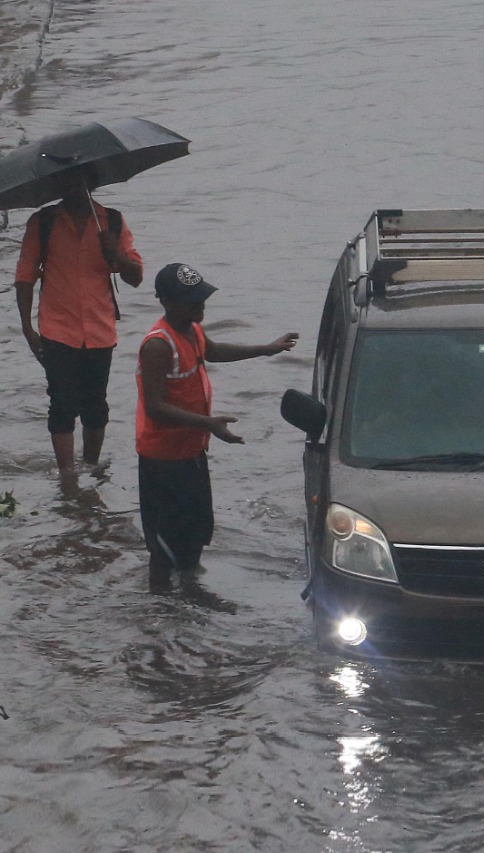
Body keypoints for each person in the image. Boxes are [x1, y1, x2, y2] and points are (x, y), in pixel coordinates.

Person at [136, 262, 298, 589]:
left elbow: (215, 351)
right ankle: (159, 608)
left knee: (195, 531)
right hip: (163, 462)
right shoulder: (157, 345)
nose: (201, 305)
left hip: (192, 453)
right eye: (193, 300)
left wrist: (266, 349)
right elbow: (155, 408)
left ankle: (191, 595)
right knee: (164, 544)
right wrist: (208, 423)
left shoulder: (192, 330)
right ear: (168, 302)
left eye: (202, 297)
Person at [13, 165, 144, 482]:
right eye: (67, 181)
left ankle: (92, 466)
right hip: (56, 328)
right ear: (58, 185)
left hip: (100, 329)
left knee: (97, 407)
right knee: (61, 405)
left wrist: (116, 253)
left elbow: (136, 277)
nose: (74, 187)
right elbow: (25, 276)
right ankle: (68, 477)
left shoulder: (111, 221)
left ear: (93, 182)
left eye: (81, 180)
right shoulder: (43, 222)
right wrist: (28, 328)